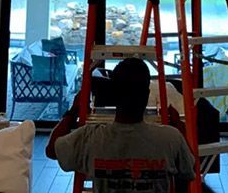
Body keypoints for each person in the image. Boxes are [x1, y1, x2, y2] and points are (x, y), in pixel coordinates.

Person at [47, 57, 196, 192]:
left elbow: (51, 150)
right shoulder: (170, 139)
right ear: (146, 95)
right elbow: (190, 166)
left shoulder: (89, 139)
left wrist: (73, 112)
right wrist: (178, 125)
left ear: (114, 95)